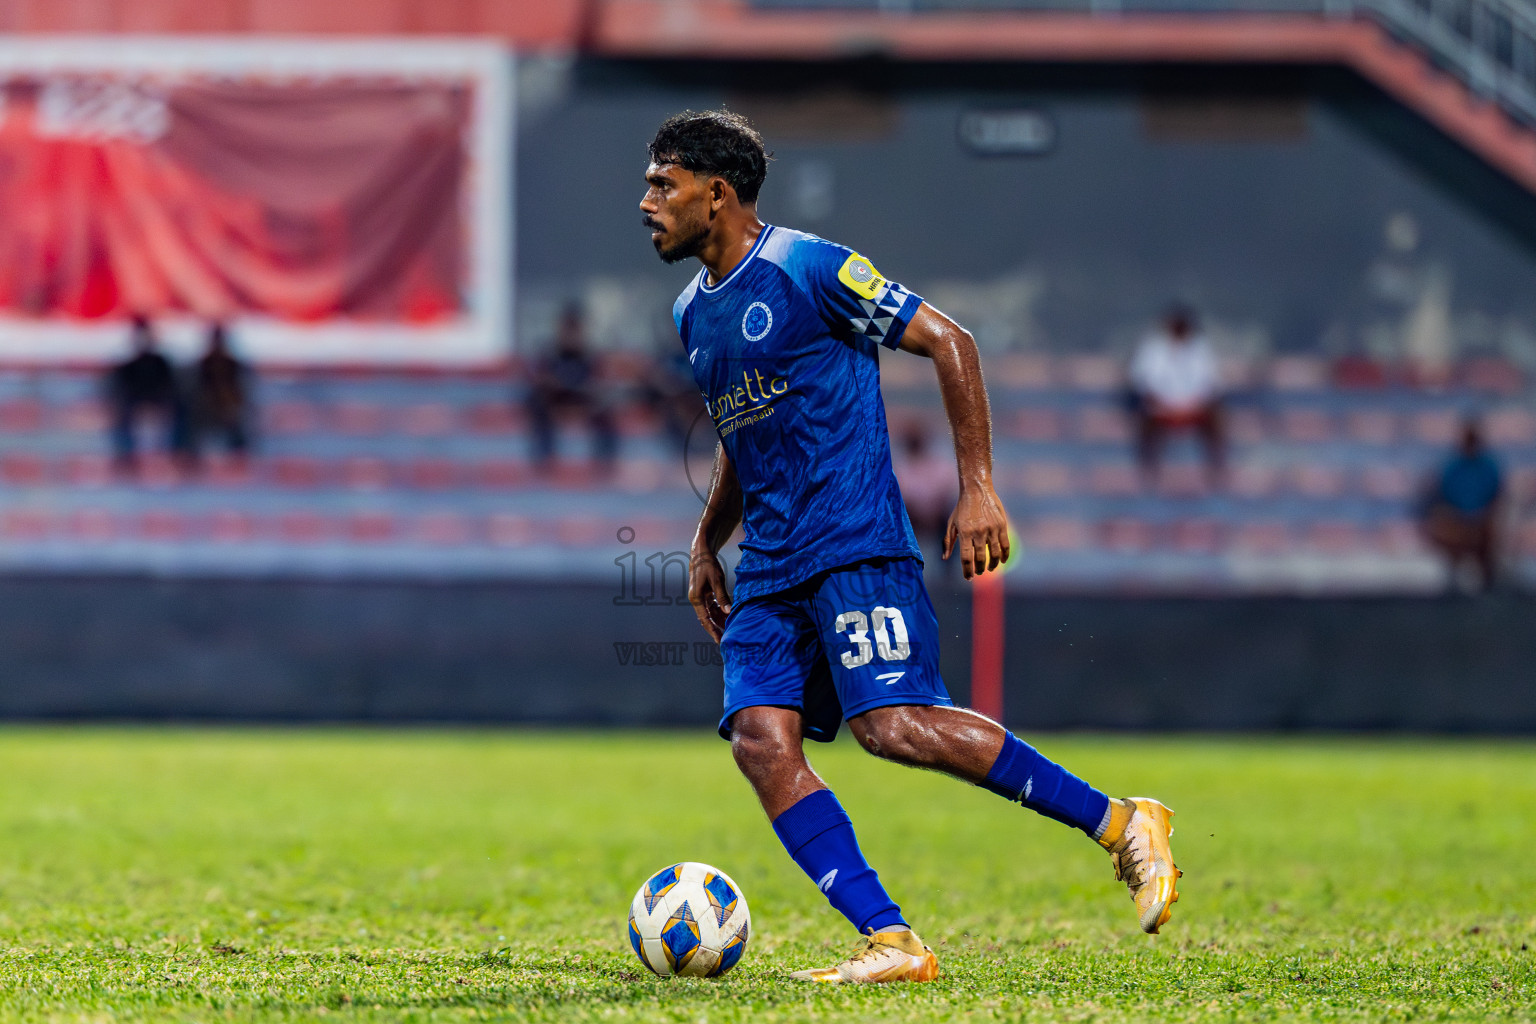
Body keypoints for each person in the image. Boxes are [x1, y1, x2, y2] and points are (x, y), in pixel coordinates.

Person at [642, 109, 1181, 985]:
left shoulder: (809, 267)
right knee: (759, 740)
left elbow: (949, 341)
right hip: (771, 566)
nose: (647, 202)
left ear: (718, 193)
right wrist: (707, 542)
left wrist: (977, 487)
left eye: (663, 184)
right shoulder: (689, 313)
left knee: (893, 728)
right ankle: (892, 940)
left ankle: (1123, 824)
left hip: (855, 545)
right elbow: (744, 434)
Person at [1127, 305, 1224, 486]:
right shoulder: (1153, 349)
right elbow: (1143, 384)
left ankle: (1216, 474)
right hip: (1161, 410)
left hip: (1193, 409)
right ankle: (1148, 475)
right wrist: (1168, 407)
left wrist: (1189, 406)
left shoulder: (1201, 349)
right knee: (1144, 423)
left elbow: (1211, 386)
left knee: (1216, 420)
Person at [525, 303, 617, 472]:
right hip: (555, 400)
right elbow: (537, 379)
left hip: (582, 399)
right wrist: (552, 383)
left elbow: (600, 383)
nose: (571, 336)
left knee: (606, 409)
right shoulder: (549, 354)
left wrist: (589, 388)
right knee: (536, 403)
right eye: (568, 330)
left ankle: (605, 460)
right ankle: (544, 457)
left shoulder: (590, 356)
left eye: (575, 330)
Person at [1422, 420, 1503, 591]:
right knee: (1446, 530)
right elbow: (1440, 496)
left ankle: (1489, 585)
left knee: (1491, 534)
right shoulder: (1451, 466)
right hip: (1456, 520)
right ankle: (1453, 585)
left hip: (1483, 520)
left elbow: (1497, 495)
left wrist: (1482, 514)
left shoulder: (1489, 466)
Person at [107, 315, 188, 471]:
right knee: (122, 413)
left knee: (182, 411)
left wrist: (160, 401)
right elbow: (120, 388)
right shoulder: (128, 364)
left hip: (159, 400)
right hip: (135, 401)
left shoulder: (161, 362)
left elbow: (170, 386)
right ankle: (127, 457)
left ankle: (176, 454)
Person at [894, 422, 958, 578]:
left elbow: (945, 492)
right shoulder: (901, 467)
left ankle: (947, 574)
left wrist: (933, 512)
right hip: (912, 517)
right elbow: (903, 498)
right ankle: (900, 570)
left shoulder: (937, 464)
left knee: (953, 524)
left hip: (936, 517)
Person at [191, 323, 251, 461]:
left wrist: (236, 402)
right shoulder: (205, 362)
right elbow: (200, 385)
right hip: (209, 403)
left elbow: (238, 385)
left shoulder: (231, 362)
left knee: (236, 424)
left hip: (227, 404)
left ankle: (240, 456)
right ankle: (193, 455)